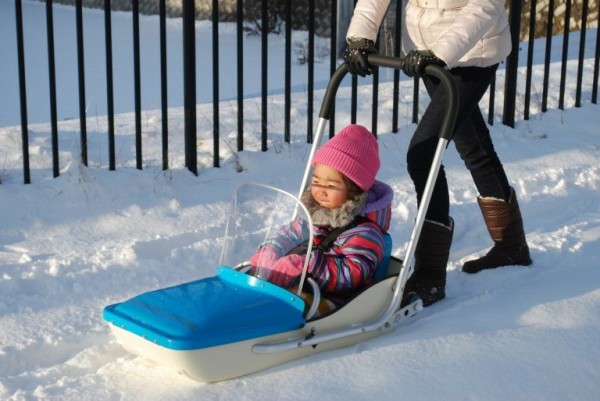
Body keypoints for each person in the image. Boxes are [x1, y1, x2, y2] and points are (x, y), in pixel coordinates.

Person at [343, 0, 532, 306]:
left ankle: (430, 275)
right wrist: (361, 38)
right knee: (473, 145)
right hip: (427, 52)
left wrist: (441, 52)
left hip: (471, 54)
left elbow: (484, 7)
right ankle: (511, 246)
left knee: (423, 155)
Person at [249, 124, 394, 313]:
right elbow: (290, 235)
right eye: (316, 182)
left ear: (354, 190)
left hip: (339, 299)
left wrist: (306, 264)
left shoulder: (364, 232)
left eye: (331, 186)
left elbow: (352, 273)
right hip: (304, 286)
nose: (320, 191)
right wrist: (272, 250)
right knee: (250, 285)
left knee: (276, 308)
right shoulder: (316, 214)